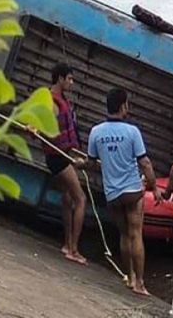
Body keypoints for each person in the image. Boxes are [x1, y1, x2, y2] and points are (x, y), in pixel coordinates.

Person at [86, 88, 162, 296]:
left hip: (112, 194)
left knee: (124, 234)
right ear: (122, 106)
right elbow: (145, 163)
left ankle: (128, 277)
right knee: (136, 234)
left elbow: (91, 163)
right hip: (132, 191)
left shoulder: (96, 132)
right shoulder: (132, 132)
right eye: (127, 104)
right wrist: (154, 187)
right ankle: (140, 283)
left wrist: (80, 164)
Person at [47, 62, 88, 264]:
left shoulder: (62, 100)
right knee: (80, 199)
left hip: (64, 155)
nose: (72, 83)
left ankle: (67, 244)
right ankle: (73, 249)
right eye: (70, 79)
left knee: (68, 199)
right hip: (57, 157)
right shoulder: (51, 101)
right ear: (60, 79)